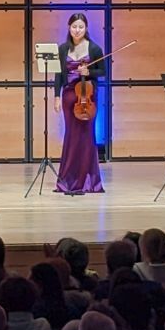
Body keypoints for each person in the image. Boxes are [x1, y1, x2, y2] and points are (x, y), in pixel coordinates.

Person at [53, 13, 105, 194]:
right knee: (71, 136)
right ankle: (67, 180)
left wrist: (88, 71)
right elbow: (58, 75)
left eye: (81, 27)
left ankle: (89, 180)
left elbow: (103, 71)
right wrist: (57, 97)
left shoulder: (95, 49)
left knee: (87, 135)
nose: (77, 30)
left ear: (86, 28)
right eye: (74, 26)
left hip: (88, 95)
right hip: (69, 96)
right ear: (69, 28)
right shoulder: (62, 49)